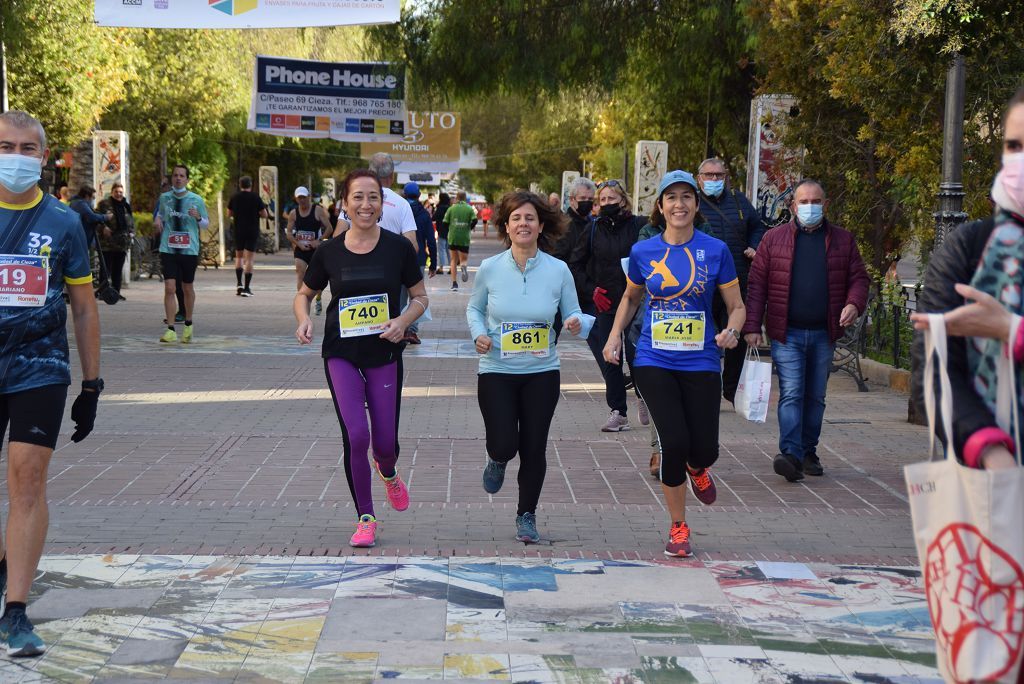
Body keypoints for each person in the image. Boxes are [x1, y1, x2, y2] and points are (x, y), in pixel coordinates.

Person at [0, 110, 102, 655]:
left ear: (44, 156)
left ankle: (16, 611)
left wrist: (92, 385)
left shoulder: (64, 222)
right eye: (5, 146)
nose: (16, 157)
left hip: (39, 366)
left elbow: (83, 308)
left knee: (28, 480)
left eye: (26, 149)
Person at [602, 170, 744, 557]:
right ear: (660, 207)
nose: (679, 204)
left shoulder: (715, 250)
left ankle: (700, 469)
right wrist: (615, 335)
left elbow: (736, 306)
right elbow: (631, 298)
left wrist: (732, 331)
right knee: (673, 443)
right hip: (653, 358)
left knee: (704, 450)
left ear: (696, 206)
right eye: (671, 198)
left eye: (687, 197)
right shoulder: (645, 251)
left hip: (700, 359)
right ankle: (678, 527)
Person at [294, 169, 427, 547]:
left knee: (384, 444)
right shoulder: (329, 251)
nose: (366, 205)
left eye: (373, 197)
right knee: (356, 435)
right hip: (341, 354)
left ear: (383, 204)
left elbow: (420, 297)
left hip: (384, 353)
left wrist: (403, 321)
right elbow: (304, 294)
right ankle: (365, 517)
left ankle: (388, 472)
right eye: (358, 197)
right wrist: (303, 319)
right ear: (344, 204)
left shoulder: (398, 248)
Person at [467, 191, 593, 543]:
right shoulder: (491, 268)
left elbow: (575, 313)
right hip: (496, 370)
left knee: (534, 446)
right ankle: (496, 459)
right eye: (517, 218)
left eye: (530, 218)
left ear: (541, 226)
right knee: (506, 444)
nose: (524, 224)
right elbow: (474, 309)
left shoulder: (558, 270)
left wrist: (574, 323)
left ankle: (526, 515)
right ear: (506, 226)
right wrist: (479, 334)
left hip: (542, 372)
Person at [910, 87, 1024, 472]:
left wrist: (1013, 331)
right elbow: (934, 366)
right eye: (1013, 145)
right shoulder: (970, 248)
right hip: (991, 479)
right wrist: (990, 451)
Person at [743, 179, 869, 482]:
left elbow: (859, 279)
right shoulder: (773, 240)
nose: (809, 207)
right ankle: (790, 454)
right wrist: (751, 325)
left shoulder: (843, 240)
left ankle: (808, 450)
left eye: (816, 202)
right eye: (803, 202)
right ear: (792, 206)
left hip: (825, 333)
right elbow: (757, 286)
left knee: (815, 396)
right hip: (788, 333)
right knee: (792, 393)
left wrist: (853, 303)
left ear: (825, 205)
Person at [569, 178, 645, 432]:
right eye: (602, 200)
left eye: (612, 199)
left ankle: (643, 396)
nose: (607, 204)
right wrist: (592, 291)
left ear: (623, 199)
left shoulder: (638, 226)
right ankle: (618, 412)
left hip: (637, 301)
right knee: (611, 356)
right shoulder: (592, 229)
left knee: (637, 356)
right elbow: (575, 264)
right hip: (606, 302)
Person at [696, 158, 766, 404]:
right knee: (706, 337)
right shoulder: (692, 202)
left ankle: (731, 387)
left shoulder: (738, 201)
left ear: (725, 177)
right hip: (703, 282)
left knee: (735, 334)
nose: (714, 180)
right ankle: (709, 386)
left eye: (719, 175)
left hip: (736, 279)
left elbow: (757, 226)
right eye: (709, 175)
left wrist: (754, 246)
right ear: (699, 178)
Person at [153, 164, 209, 344]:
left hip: (189, 249)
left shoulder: (196, 199)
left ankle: (188, 323)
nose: (178, 178)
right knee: (169, 287)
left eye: (182, 176)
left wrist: (198, 217)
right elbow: (160, 214)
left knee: (187, 288)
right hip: (168, 248)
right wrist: (158, 220)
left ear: (187, 179)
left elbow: (206, 223)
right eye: (175, 175)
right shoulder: (164, 198)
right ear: (172, 179)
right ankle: (170, 329)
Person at [285, 186, 334, 314]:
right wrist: (297, 243)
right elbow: (289, 233)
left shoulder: (317, 211)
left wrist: (319, 241)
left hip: (315, 250)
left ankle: (318, 298)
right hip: (301, 249)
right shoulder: (293, 213)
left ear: (308, 197)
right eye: (299, 198)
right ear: (296, 199)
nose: (302, 200)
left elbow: (329, 228)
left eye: (304, 197)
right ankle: (302, 302)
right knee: (300, 271)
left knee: (317, 277)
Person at [405, 182, 437, 344]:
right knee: (416, 296)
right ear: (418, 196)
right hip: (418, 261)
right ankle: (412, 330)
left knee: (399, 295)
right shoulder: (424, 215)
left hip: (397, 260)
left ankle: (399, 328)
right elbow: (431, 240)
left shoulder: (399, 211)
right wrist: (434, 263)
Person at [227, 175, 268, 297]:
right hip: (252, 230)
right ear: (250, 185)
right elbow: (264, 214)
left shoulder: (234, 197)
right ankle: (246, 288)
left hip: (238, 229)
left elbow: (229, 213)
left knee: (238, 257)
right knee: (249, 259)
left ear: (240, 185)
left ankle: (239, 283)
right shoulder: (255, 197)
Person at [96, 183, 134, 294]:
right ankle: (103, 292)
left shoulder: (125, 206)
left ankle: (116, 293)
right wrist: (103, 227)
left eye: (121, 192)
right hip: (107, 244)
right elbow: (96, 219)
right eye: (116, 192)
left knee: (117, 270)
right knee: (105, 269)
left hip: (121, 244)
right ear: (112, 192)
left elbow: (131, 222)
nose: (118, 194)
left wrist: (131, 232)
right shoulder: (104, 204)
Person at [444, 191, 476, 290]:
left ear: (457, 198)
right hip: (464, 238)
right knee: (463, 259)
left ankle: (454, 284)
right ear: (465, 198)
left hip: (453, 237)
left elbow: (445, 222)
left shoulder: (451, 208)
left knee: (453, 260)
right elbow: (475, 220)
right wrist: (469, 228)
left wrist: (450, 229)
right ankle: (463, 266)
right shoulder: (469, 208)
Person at [433, 192, 452, 274]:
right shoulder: (450, 208)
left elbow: (433, 217)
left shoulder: (440, 208)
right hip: (450, 232)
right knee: (449, 250)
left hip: (441, 231)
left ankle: (441, 268)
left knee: (441, 250)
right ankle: (452, 268)